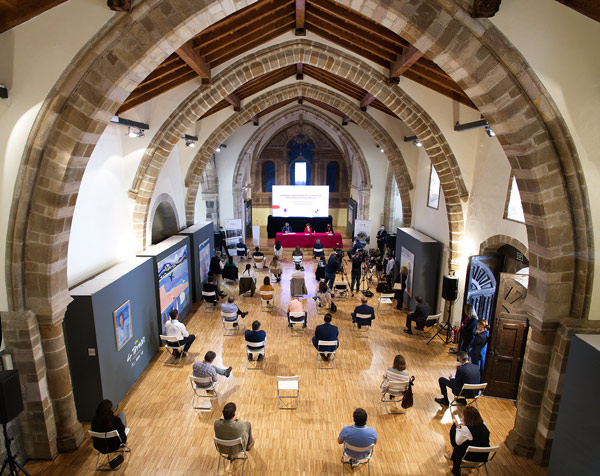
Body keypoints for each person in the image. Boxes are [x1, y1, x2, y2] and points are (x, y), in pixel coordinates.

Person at [447, 406, 490, 476]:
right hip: (484, 455)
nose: (462, 417)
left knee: (453, 429)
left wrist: (458, 427)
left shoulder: (467, 430)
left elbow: (458, 442)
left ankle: (453, 453)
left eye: (463, 416)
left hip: (472, 456)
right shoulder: (484, 425)